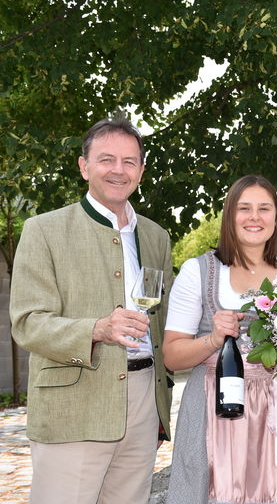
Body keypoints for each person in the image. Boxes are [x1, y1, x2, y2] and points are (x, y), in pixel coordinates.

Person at [9, 114, 173, 504]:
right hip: (74, 405)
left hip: (143, 402)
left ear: (142, 170)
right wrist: (96, 329)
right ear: (84, 166)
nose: (119, 170)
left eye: (129, 161)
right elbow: (27, 324)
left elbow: (165, 322)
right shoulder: (43, 230)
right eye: (106, 159)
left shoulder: (156, 236)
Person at [163, 175, 277, 504]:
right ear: (230, 215)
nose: (254, 217)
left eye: (264, 208)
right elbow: (172, 357)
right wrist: (214, 339)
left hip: (274, 411)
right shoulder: (198, 271)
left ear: (276, 217)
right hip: (214, 406)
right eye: (244, 208)